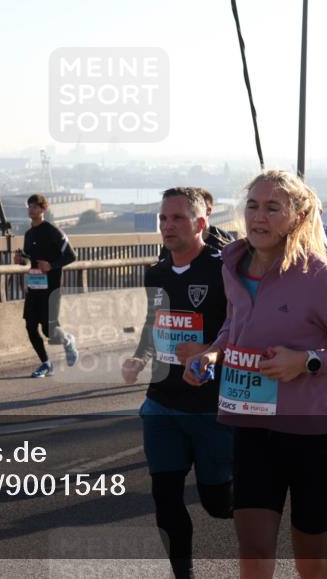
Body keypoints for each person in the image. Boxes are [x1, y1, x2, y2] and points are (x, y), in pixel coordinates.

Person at [184, 169, 327, 579]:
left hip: (319, 438)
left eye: (273, 208)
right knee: (254, 556)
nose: (258, 217)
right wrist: (213, 354)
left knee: (315, 569)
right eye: (253, 206)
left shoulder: (323, 279)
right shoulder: (233, 265)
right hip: (255, 430)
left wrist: (307, 361)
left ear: (296, 217)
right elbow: (235, 324)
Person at [122, 187, 234, 579]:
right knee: (165, 498)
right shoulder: (156, 272)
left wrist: (208, 349)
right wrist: (140, 356)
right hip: (162, 404)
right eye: (163, 219)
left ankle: (256, 503)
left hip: (211, 406)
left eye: (178, 219)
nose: (167, 226)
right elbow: (156, 323)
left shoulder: (225, 269)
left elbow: (245, 329)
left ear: (201, 223)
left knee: (218, 504)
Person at [13, 194, 79, 377]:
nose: (31, 209)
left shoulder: (52, 231)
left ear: (43, 210)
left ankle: (67, 340)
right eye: (29, 206)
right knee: (30, 326)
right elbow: (30, 259)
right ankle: (46, 364)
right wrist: (21, 259)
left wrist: (51, 265)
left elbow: (71, 256)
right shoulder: (28, 234)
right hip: (34, 287)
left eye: (35, 206)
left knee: (48, 329)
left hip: (51, 288)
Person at [158, 187, 233, 261]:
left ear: (209, 210)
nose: (168, 226)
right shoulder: (174, 243)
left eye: (177, 217)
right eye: (163, 218)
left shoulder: (224, 240)